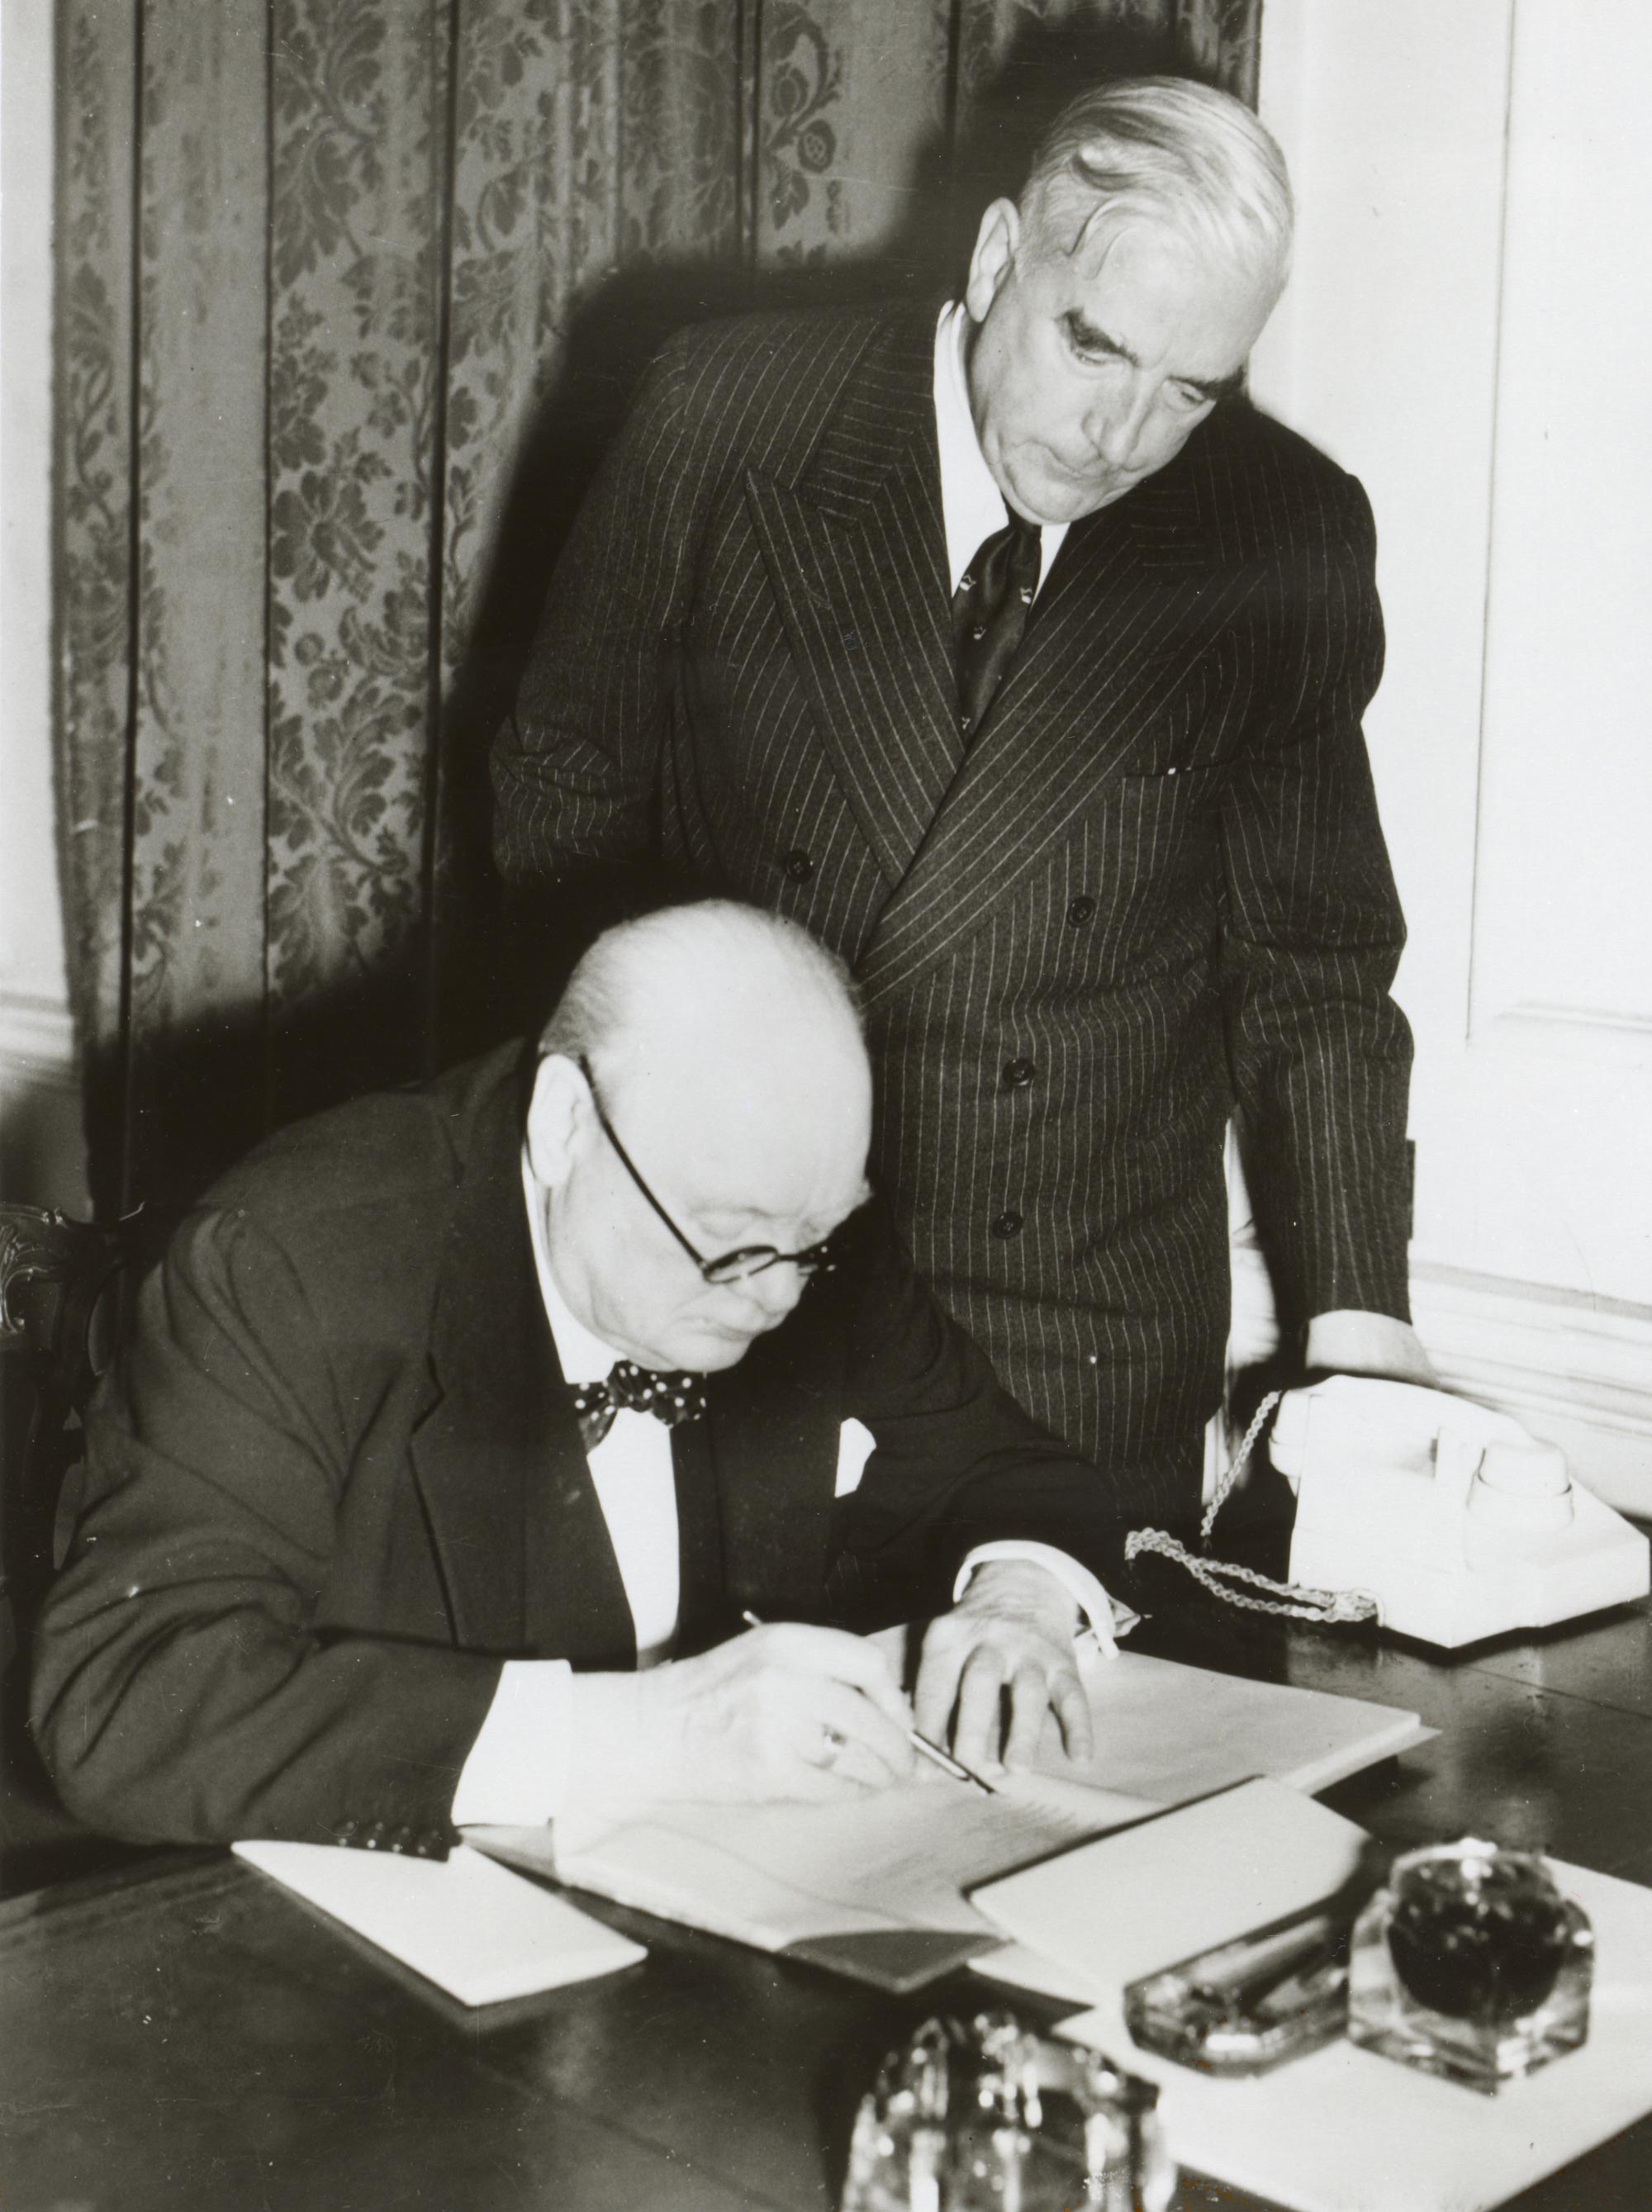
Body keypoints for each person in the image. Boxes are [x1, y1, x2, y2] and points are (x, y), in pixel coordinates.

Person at [491, 74, 1433, 1524]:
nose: (1120, 436)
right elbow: (564, 793)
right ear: (999, 259)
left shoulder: (1279, 530)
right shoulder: (733, 414)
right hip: (747, 1296)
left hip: (1079, 1354)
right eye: (1094, 346)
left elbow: (1313, 966)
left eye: (1190, 390)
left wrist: (1361, 1323)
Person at [32, 902, 1139, 1854]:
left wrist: (1019, 1598)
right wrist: (652, 1735)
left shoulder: (795, 1218)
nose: (776, 1297)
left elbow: (1010, 1469)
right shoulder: (293, 1261)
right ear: (565, 1122)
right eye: (730, 1244)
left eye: (813, 1240)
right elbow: (127, 1695)